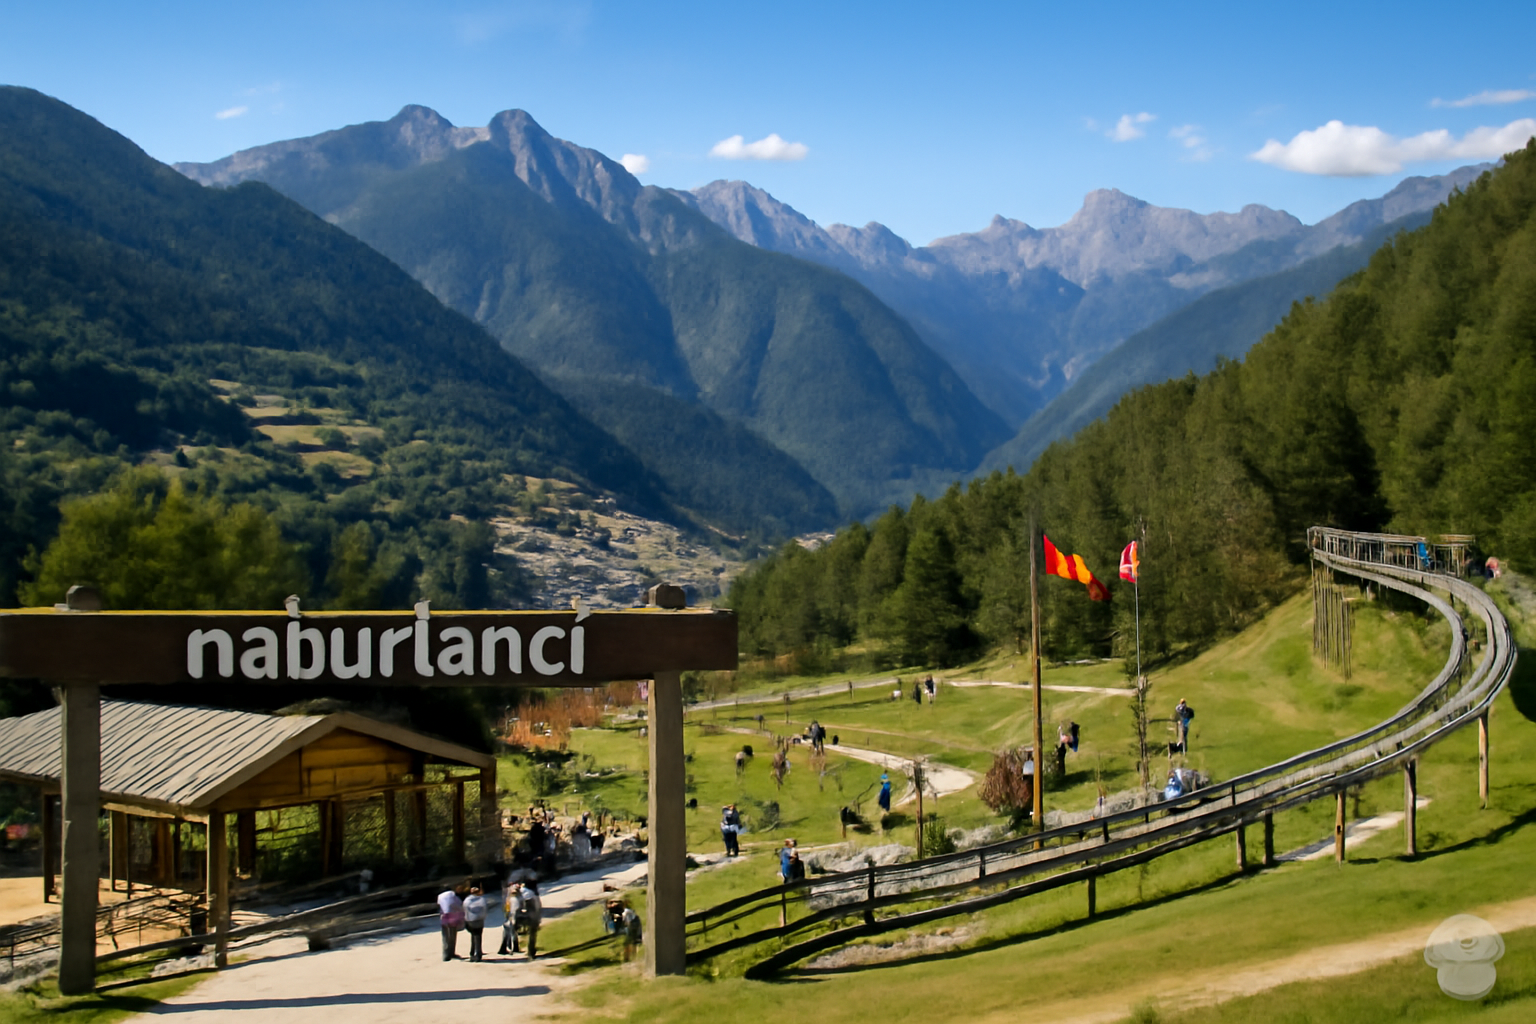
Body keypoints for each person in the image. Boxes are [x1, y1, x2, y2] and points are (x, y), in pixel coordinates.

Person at [438, 883, 465, 961]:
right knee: (452, 936)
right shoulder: (453, 894)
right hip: (453, 917)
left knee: (445, 937)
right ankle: (452, 953)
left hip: (444, 918)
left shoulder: (440, 896)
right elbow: (459, 904)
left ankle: (445, 955)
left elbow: (439, 906)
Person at [463, 884, 488, 962]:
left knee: (473, 936)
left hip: (471, 920)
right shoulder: (482, 900)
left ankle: (472, 952)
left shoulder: (467, 900)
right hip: (479, 921)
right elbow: (485, 909)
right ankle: (478, 954)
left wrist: (466, 919)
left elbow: (465, 910)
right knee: (478, 937)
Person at [518, 880, 542, 957]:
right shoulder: (532, 894)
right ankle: (531, 951)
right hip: (532, 914)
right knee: (532, 933)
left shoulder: (518, 893)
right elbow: (537, 906)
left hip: (520, 915)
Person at [499, 879, 523, 955]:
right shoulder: (515, 900)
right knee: (513, 934)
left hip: (508, 918)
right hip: (512, 918)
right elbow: (514, 911)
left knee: (507, 933)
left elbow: (506, 909)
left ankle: (504, 948)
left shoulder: (508, 899)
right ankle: (514, 948)